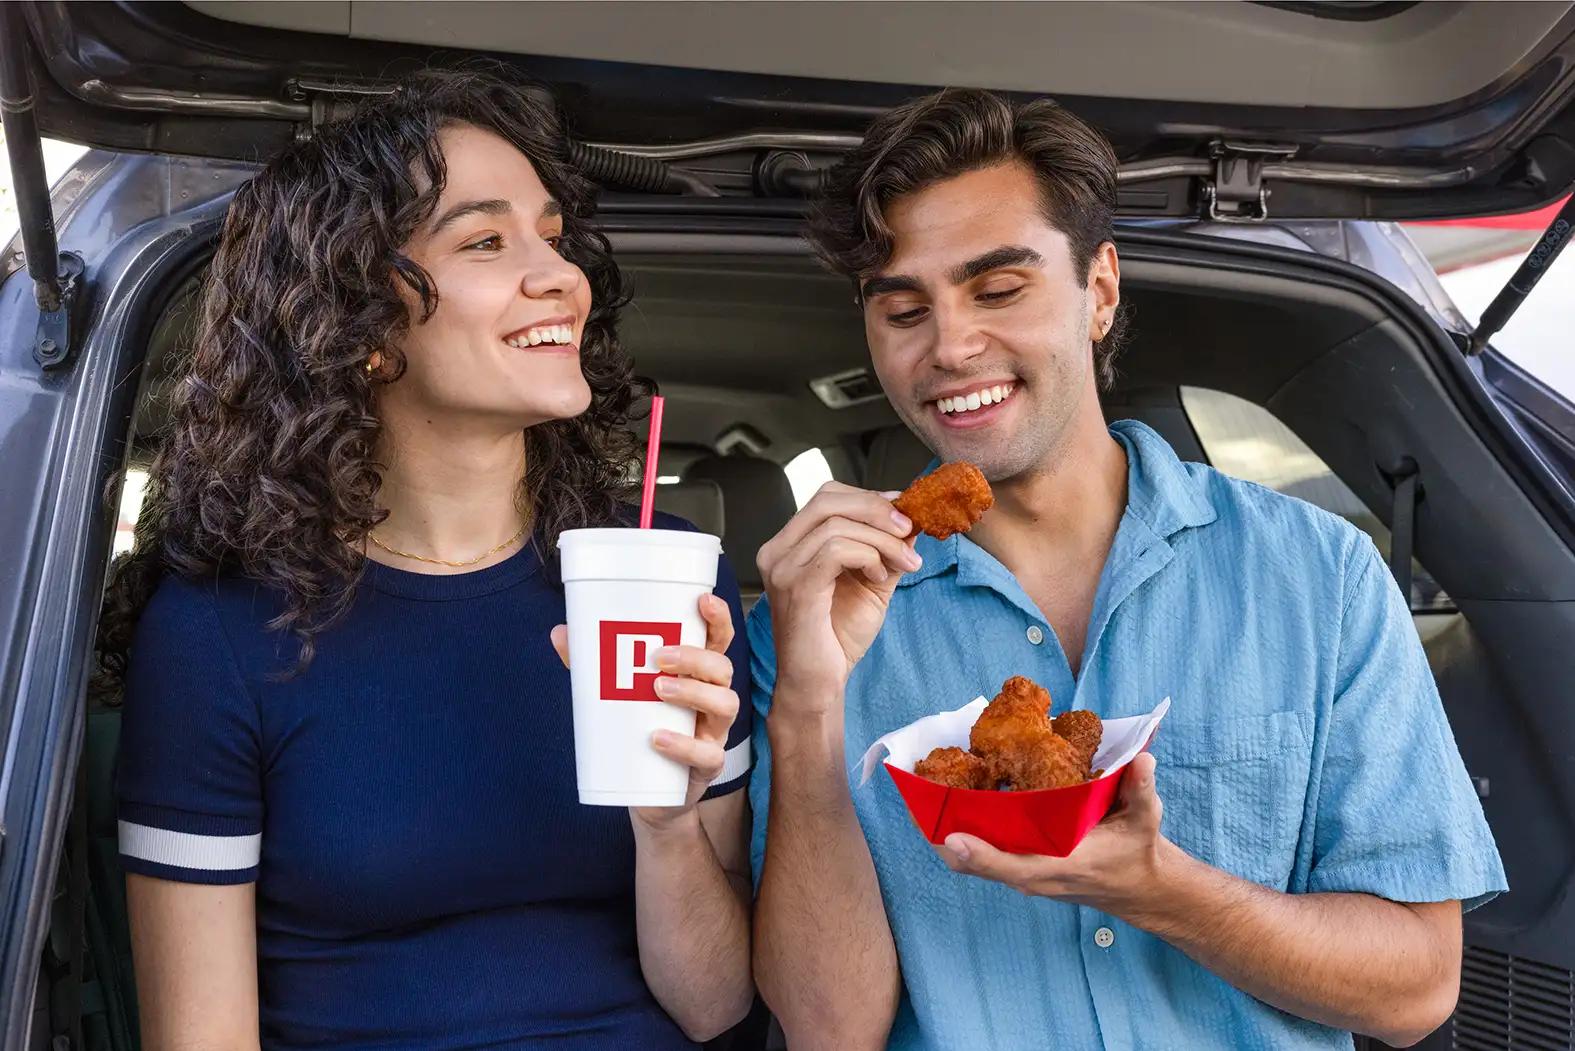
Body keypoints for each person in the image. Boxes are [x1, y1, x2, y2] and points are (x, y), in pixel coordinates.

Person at [747, 88, 1505, 1051]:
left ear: (1099, 290)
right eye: (903, 309)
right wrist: (809, 707)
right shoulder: (806, 632)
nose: (949, 346)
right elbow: (825, 1033)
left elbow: (1417, 988)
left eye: (997, 289)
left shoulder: (1320, 576)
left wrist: (1169, 893)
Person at [97, 68, 753, 1049]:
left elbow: (720, 1008)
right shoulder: (220, 635)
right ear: (359, 328)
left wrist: (666, 830)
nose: (559, 276)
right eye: (487, 241)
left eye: (553, 235)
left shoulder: (662, 578)